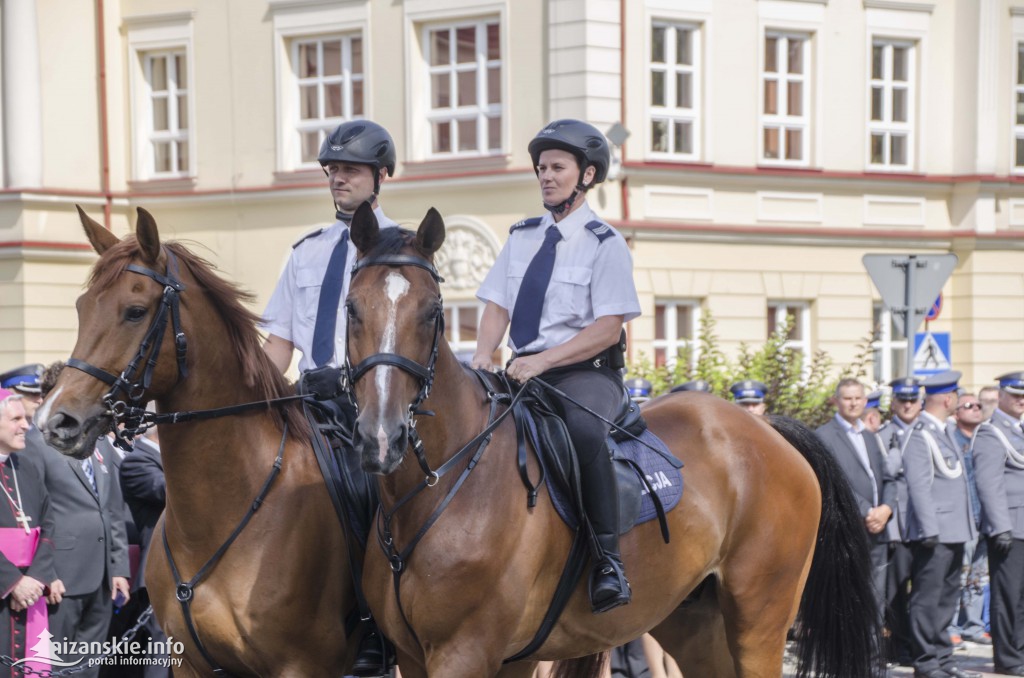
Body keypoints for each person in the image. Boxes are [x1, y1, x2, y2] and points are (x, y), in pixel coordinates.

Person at [472, 119, 641, 613]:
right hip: (522, 371)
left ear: (586, 175)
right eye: (541, 168)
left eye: (557, 167)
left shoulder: (604, 243)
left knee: (584, 432)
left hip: (585, 373)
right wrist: (484, 353)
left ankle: (607, 559)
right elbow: (497, 306)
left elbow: (609, 326)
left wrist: (543, 360)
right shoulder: (522, 237)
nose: (546, 176)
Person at [260, 119, 398, 677]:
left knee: (366, 491)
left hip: (365, 402)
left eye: (351, 170)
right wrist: (256, 401)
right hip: (305, 396)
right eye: (332, 169)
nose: (338, 178)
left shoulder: (400, 249)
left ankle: (373, 627)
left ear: (380, 176)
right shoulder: (307, 250)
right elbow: (278, 344)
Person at [901, 370, 980, 678]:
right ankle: (926, 662)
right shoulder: (920, 433)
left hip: (954, 529)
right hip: (934, 531)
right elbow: (919, 485)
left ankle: (944, 659)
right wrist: (929, 528)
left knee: (947, 598)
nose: (958, 401)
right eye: (957, 396)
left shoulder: (943, 430)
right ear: (948, 399)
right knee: (927, 599)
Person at [814, 379, 896, 617]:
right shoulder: (825, 436)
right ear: (836, 401)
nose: (853, 403)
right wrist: (867, 511)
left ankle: (872, 653)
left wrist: (886, 508)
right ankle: (850, 654)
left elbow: (887, 478)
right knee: (848, 596)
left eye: (858, 398)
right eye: (847, 398)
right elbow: (833, 482)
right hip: (848, 528)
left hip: (878, 527)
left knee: (876, 595)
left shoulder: (870, 436)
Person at [971, 372, 1024, 675]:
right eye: (1015, 394)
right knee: (1007, 596)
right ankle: (1008, 658)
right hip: (1011, 527)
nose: (1021, 399)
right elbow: (989, 484)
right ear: (1001, 395)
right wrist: (1000, 526)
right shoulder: (992, 432)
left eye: (1023, 395)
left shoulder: (1019, 429)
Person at [0, 390, 55, 677]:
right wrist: (12, 582)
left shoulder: (27, 468)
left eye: (25, 418)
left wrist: (35, 577)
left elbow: (48, 526)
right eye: (16, 419)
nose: (26, 425)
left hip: (32, 590)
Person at [119, 426, 170, 677]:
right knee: (161, 646)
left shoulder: (161, 460)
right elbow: (166, 491)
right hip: (159, 570)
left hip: (185, 566)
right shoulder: (137, 460)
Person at [879, 375, 922, 667]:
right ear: (893, 403)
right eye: (902, 400)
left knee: (924, 589)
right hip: (898, 525)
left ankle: (920, 644)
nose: (907, 405)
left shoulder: (932, 430)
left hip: (929, 524)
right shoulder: (882, 434)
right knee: (895, 591)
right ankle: (898, 645)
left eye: (912, 400)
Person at [946, 392, 990, 648]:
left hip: (985, 518)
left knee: (977, 577)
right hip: (964, 518)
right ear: (956, 413)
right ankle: (951, 627)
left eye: (978, 406)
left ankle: (974, 626)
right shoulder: (953, 440)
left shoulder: (985, 439)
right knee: (959, 576)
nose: (975, 409)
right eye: (969, 405)